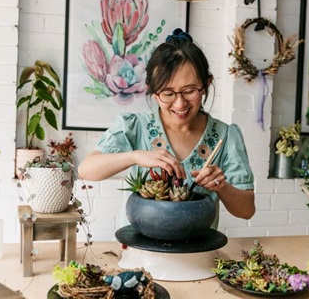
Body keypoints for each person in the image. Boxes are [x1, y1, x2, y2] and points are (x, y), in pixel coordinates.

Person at [78, 28, 255, 229]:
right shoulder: (135, 127)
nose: (180, 104)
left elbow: (246, 210)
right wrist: (135, 156)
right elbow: (86, 170)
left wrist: (221, 187)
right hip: (138, 253)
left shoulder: (226, 136)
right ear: (153, 92)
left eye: (189, 91)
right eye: (168, 93)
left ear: (206, 84)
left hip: (196, 253)